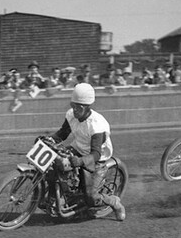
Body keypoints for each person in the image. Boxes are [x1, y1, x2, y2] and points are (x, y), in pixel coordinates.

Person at [45, 83, 126, 222]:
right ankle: (56, 198)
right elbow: (62, 134)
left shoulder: (96, 125)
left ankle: (114, 202)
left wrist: (81, 161)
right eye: (73, 105)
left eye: (79, 107)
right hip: (77, 149)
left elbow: (96, 154)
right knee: (53, 164)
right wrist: (47, 139)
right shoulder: (71, 115)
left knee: (91, 197)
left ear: (88, 107)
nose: (75, 110)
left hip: (96, 159)